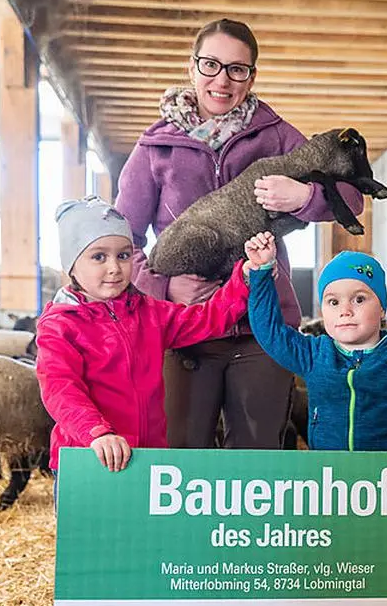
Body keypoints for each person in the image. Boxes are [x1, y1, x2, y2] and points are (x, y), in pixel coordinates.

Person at [114, 18, 364, 450]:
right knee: (183, 451)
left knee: (257, 456)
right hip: (185, 329)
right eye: (210, 65)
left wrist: (303, 195)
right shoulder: (156, 146)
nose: (222, 80)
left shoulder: (277, 136)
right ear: (192, 68)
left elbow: (352, 198)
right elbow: (123, 238)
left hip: (263, 326)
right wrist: (163, 287)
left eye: (237, 69)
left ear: (251, 76)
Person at [34, 197, 272, 477]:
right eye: (99, 257)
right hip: (90, 460)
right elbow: (60, 388)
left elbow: (207, 320)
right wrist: (96, 432)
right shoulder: (60, 325)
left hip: (146, 459)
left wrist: (246, 276)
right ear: (71, 265)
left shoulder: (148, 313)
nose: (114, 267)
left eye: (123, 255)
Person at [244, 233, 387, 473]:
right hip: (330, 479)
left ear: (382, 307)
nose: (345, 311)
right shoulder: (315, 355)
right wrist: (261, 273)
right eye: (333, 302)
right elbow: (269, 331)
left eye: (359, 299)